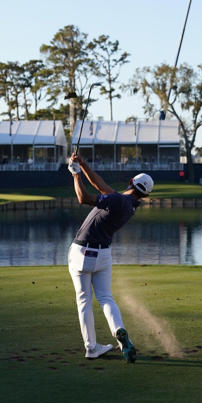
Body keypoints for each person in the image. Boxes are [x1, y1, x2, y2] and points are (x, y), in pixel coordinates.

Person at [67, 152, 154, 362]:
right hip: (103, 255)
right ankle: (119, 331)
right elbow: (101, 185)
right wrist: (83, 164)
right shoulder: (127, 203)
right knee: (105, 297)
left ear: (131, 181)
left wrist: (75, 174)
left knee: (84, 301)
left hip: (82, 252)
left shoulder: (117, 200)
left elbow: (83, 198)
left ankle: (91, 348)